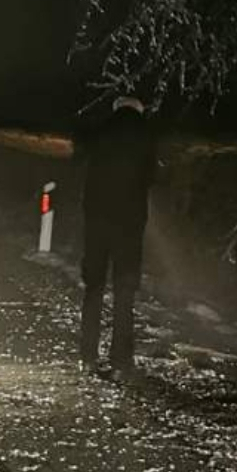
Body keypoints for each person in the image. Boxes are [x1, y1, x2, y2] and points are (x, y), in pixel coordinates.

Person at [76, 93, 158, 374]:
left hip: (97, 220)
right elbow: (152, 176)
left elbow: (78, 155)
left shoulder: (99, 130)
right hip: (130, 224)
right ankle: (121, 358)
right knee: (125, 292)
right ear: (139, 108)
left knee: (94, 287)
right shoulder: (148, 135)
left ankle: (87, 355)